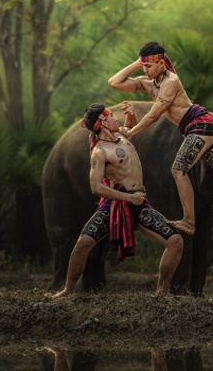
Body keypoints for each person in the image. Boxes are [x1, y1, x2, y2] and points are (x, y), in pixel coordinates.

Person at [108, 41, 213, 236]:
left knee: (178, 170)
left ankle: (189, 221)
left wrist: (131, 132)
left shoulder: (170, 82)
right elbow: (114, 82)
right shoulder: (149, 84)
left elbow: (153, 115)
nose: (146, 70)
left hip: (201, 126)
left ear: (162, 64)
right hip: (200, 128)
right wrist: (138, 63)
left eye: (149, 66)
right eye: (144, 66)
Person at [51, 101, 183, 298]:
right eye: (111, 116)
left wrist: (130, 114)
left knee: (175, 241)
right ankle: (67, 290)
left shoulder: (121, 134)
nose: (115, 118)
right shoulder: (100, 151)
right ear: (103, 122)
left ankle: (161, 292)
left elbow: (130, 127)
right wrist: (128, 198)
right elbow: (96, 187)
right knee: (82, 245)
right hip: (115, 206)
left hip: (139, 203)